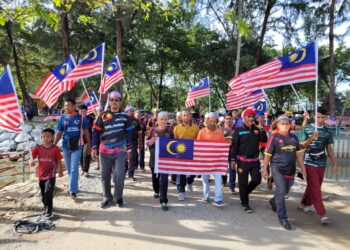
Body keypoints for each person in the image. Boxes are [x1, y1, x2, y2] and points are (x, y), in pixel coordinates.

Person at [262, 115, 307, 230]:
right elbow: (267, 155)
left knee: (285, 190)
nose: (285, 126)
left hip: (291, 170)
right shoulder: (274, 137)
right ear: (278, 125)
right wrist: (265, 169)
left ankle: (273, 201)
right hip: (277, 169)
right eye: (282, 124)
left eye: (287, 124)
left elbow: (299, 155)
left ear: (289, 125)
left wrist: (303, 169)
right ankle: (283, 218)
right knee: (281, 190)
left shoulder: (294, 138)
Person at [91, 91, 133, 208]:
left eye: (117, 100)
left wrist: (129, 149)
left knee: (120, 174)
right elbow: (96, 132)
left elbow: (129, 133)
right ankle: (107, 197)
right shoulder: (103, 115)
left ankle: (118, 197)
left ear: (120, 102)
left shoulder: (125, 116)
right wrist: (94, 147)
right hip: (104, 151)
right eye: (112, 99)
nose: (114, 102)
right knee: (105, 175)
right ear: (109, 101)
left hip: (120, 150)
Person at [298, 107, 339, 224]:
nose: (320, 120)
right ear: (313, 116)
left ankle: (302, 204)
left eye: (322, 117)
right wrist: (311, 138)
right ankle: (322, 214)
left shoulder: (327, 130)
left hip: (322, 162)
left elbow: (329, 148)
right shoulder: (307, 128)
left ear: (325, 117)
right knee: (315, 188)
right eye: (318, 117)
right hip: (309, 161)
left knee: (313, 185)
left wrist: (335, 163)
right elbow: (301, 146)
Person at [231, 107, 267, 213]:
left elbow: (264, 139)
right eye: (249, 116)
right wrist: (233, 159)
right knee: (243, 182)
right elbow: (234, 146)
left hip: (255, 161)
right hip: (242, 161)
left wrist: (260, 127)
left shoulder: (256, 129)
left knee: (257, 180)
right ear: (244, 118)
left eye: (253, 116)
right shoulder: (238, 131)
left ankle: (244, 193)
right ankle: (245, 204)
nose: (251, 118)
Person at [54, 98, 91, 199]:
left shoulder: (82, 118)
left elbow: (87, 132)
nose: (66, 107)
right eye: (65, 106)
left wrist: (89, 147)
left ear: (74, 106)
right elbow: (59, 133)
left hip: (78, 146)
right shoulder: (62, 118)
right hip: (65, 147)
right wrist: (53, 145)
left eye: (68, 105)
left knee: (74, 169)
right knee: (70, 170)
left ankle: (72, 191)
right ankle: (74, 186)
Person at [30, 128, 64, 217]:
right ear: (41, 137)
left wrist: (61, 171)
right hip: (41, 175)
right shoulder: (38, 148)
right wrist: (31, 162)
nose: (46, 138)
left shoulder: (55, 149)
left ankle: (49, 211)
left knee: (48, 192)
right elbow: (31, 158)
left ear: (53, 138)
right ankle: (46, 207)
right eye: (44, 136)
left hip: (51, 175)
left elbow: (59, 161)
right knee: (43, 194)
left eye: (48, 136)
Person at [197, 112, 226, 207]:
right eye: (211, 121)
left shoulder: (220, 132)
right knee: (205, 178)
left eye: (214, 121)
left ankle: (218, 198)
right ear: (207, 121)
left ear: (217, 121)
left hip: (217, 161)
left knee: (218, 179)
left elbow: (222, 147)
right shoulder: (202, 132)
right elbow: (198, 146)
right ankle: (206, 195)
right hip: (205, 160)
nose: (212, 123)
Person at [146, 111, 173, 211]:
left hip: (165, 160)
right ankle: (156, 190)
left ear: (167, 120)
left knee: (164, 179)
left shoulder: (170, 131)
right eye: (161, 119)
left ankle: (164, 200)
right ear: (157, 120)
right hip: (154, 159)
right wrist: (151, 141)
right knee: (155, 178)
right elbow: (147, 144)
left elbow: (173, 144)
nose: (163, 121)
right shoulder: (152, 130)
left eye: (165, 119)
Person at [173, 109, 200, 200]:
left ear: (190, 116)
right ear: (181, 117)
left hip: (192, 153)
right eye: (184, 115)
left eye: (187, 115)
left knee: (192, 173)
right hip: (181, 154)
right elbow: (174, 142)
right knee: (181, 173)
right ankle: (181, 191)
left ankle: (190, 182)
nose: (186, 117)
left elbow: (198, 140)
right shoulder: (176, 128)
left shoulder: (196, 127)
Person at [125, 105, 142, 180]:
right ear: (127, 112)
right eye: (130, 111)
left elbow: (139, 132)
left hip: (134, 142)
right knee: (124, 158)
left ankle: (131, 174)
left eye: (133, 111)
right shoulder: (124, 120)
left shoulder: (136, 121)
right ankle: (123, 172)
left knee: (132, 158)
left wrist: (140, 142)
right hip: (124, 142)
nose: (132, 112)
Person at [77, 104, 95, 177]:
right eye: (81, 111)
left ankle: (86, 170)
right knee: (80, 154)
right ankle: (82, 169)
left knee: (86, 153)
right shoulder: (76, 119)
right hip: (79, 138)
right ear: (78, 111)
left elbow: (94, 124)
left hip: (88, 138)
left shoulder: (90, 118)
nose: (83, 112)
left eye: (84, 111)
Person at [222, 113, 236, 193]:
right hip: (223, 152)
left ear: (232, 119)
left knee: (232, 169)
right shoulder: (220, 130)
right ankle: (224, 182)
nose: (228, 120)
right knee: (223, 169)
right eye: (227, 118)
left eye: (230, 118)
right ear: (224, 119)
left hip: (233, 151)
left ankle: (232, 186)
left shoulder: (236, 129)